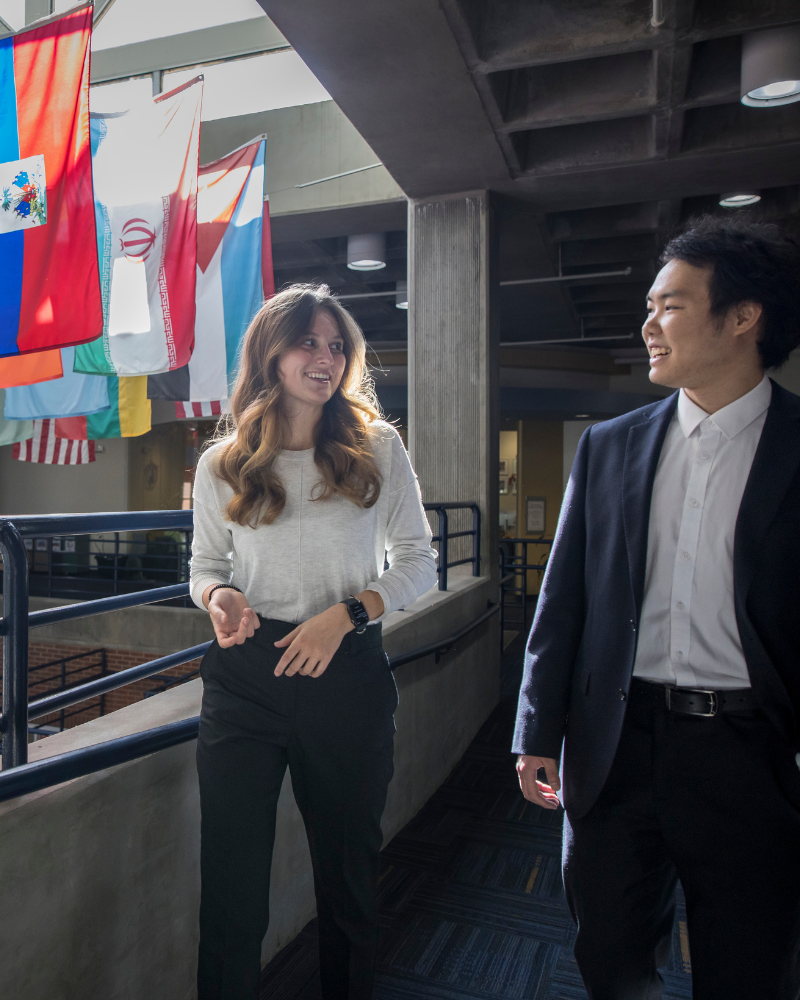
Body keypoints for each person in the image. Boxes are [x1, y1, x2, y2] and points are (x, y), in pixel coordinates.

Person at [512, 216, 800, 999]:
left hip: (751, 754)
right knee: (610, 959)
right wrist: (536, 732)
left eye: (670, 305)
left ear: (743, 317)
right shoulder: (609, 446)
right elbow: (562, 602)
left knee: (747, 969)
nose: (647, 325)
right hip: (615, 747)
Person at [190, 284, 437, 1000]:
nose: (325, 358)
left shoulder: (378, 447)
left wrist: (350, 614)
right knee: (230, 891)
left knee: (349, 881)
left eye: (337, 346)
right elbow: (205, 567)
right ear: (271, 353)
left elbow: (420, 561)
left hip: (347, 672)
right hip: (245, 678)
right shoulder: (222, 463)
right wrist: (218, 596)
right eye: (309, 342)